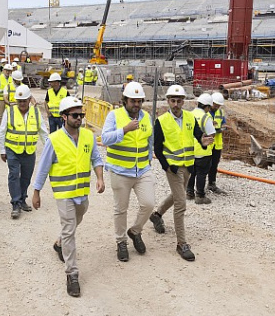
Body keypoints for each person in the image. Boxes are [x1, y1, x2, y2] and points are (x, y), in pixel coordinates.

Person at [32, 97, 105, 298]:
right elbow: (43, 167)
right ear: (64, 117)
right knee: (70, 230)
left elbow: (96, 158)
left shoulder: (88, 137)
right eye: (75, 115)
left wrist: (100, 178)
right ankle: (72, 274)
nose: (79, 118)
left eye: (81, 115)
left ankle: (59, 244)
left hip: (82, 194)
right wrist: (36, 191)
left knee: (74, 222)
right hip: (64, 194)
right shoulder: (54, 140)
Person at [149, 85, 213, 262]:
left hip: (188, 166)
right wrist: (166, 166)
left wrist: (204, 141)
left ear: (183, 101)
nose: (176, 104)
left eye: (179, 101)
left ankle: (157, 214)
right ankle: (181, 243)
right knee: (181, 203)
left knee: (178, 196)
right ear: (168, 101)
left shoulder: (190, 118)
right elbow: (158, 148)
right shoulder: (161, 121)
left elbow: (198, 134)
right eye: (172, 100)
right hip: (173, 168)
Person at [100, 81, 154, 262]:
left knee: (148, 204)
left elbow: (149, 139)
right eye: (133, 101)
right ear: (125, 100)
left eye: (139, 101)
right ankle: (121, 241)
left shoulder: (146, 116)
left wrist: (148, 158)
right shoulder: (114, 116)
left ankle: (135, 231)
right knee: (120, 209)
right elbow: (105, 139)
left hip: (142, 171)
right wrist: (124, 130)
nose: (136, 105)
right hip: (120, 171)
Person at [0, 84, 49, 219]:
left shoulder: (36, 113)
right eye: (19, 101)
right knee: (14, 175)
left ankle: (22, 199)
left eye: (24, 100)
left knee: (26, 177)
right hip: (12, 150)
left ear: (29, 100)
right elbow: (2, 132)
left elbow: (43, 132)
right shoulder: (9, 112)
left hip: (29, 150)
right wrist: (2, 150)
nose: (21, 103)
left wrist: (50, 149)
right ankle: (15, 204)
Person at [186, 94, 217, 205]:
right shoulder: (206, 117)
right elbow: (211, 133)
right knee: (201, 173)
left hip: (190, 149)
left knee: (191, 172)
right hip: (202, 150)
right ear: (207, 107)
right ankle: (200, 195)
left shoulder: (189, 114)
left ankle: (189, 192)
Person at [208, 92, 232, 195]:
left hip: (217, 144)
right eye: (215, 105)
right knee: (203, 165)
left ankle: (211, 184)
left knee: (214, 165)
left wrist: (222, 128)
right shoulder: (205, 113)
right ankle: (197, 186)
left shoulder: (220, 113)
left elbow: (224, 124)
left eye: (218, 105)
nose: (217, 107)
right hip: (206, 144)